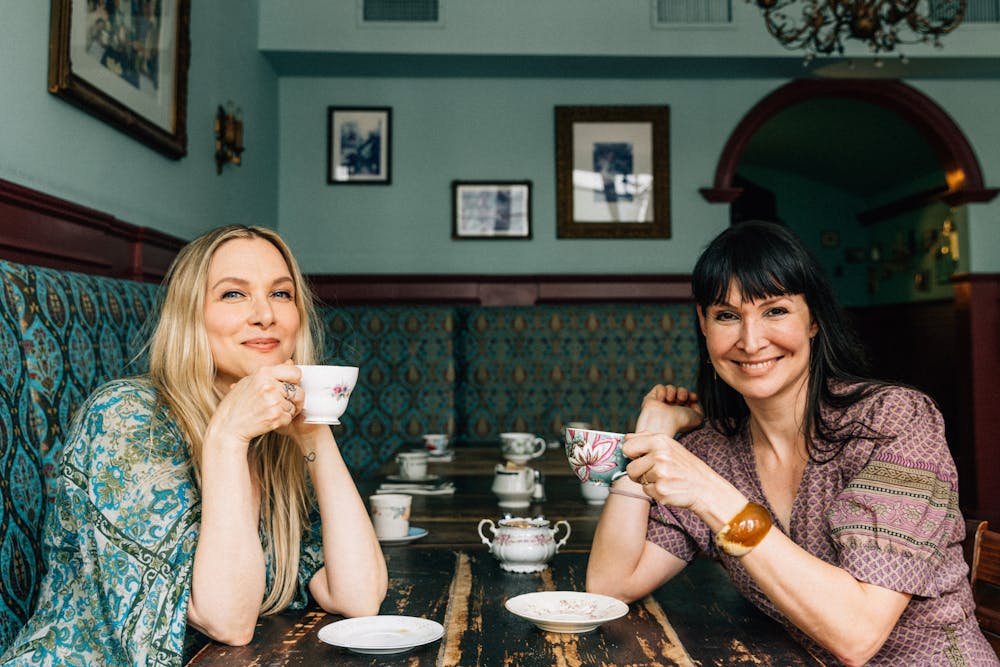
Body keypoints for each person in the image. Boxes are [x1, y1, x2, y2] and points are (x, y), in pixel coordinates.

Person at [586, 220, 997, 665]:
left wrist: (714, 498)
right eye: (727, 316)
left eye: (775, 310)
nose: (750, 339)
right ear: (704, 329)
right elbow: (610, 586)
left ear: (814, 319)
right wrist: (648, 435)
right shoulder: (715, 450)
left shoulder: (892, 422)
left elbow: (856, 635)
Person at [1, 225, 388, 665]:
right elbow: (227, 620)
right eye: (233, 294)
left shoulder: (273, 436)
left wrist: (315, 429)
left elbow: (359, 597)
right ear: (190, 314)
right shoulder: (126, 418)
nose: (265, 314)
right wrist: (226, 439)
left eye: (281, 294)